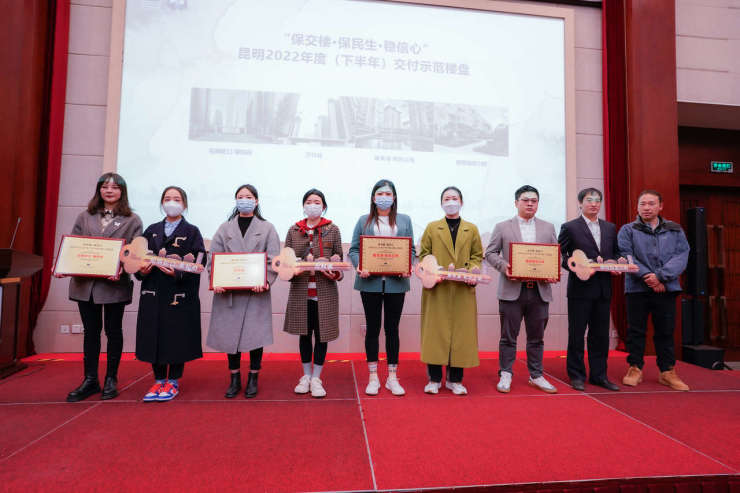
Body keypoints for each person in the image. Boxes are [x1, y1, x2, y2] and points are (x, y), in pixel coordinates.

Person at [62, 172, 142, 402]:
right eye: (105, 186)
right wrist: (65, 264)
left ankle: (110, 379)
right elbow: (74, 246)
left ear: (122, 192)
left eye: (115, 187)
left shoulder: (132, 220)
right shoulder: (85, 216)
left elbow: (135, 254)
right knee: (91, 332)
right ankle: (90, 380)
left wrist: (121, 267)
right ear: (99, 190)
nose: (109, 190)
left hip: (114, 285)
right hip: (85, 285)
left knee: (113, 332)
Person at [206, 184, 280, 398]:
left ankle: (254, 377)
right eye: (240, 197)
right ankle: (234, 377)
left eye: (248, 197)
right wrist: (216, 280)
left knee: (256, 337)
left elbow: (273, 259)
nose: (244, 200)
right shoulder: (224, 228)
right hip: (229, 293)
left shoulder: (267, 228)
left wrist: (266, 281)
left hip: (256, 293)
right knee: (231, 337)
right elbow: (213, 259)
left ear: (256, 201)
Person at [485, 185, 559, 394]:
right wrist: (504, 266)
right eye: (525, 200)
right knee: (508, 336)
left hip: (539, 291)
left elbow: (555, 254)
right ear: (516, 202)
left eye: (534, 201)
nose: (530, 204)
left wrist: (553, 270)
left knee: (537, 337)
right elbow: (490, 253)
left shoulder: (548, 227)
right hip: (512, 290)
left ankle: (536, 375)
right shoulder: (502, 227)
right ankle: (506, 373)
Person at [135, 186, 206, 402]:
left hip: (178, 293)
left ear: (184, 204)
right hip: (153, 291)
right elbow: (138, 259)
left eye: (176, 199)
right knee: (153, 334)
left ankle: (173, 381)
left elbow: (200, 262)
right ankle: (158, 380)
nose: (171, 202)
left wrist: (178, 273)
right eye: (167, 198)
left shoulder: (192, 231)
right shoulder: (151, 230)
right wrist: (141, 270)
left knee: (177, 335)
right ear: (161, 203)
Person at [617, 189, 690, 391]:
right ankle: (635, 368)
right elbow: (626, 255)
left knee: (665, 331)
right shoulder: (628, 230)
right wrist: (648, 276)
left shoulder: (675, 230)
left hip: (666, 287)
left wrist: (661, 276)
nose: (646, 208)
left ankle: (667, 371)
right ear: (637, 207)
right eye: (642, 204)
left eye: (651, 204)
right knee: (636, 330)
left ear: (660, 206)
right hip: (637, 288)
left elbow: (681, 256)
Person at [348, 180, 415, 396]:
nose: (384, 197)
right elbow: (354, 249)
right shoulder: (363, 220)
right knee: (373, 328)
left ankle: (392, 377)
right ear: (373, 197)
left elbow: (411, 249)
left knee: (392, 329)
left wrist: (407, 266)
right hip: (370, 284)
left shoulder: (405, 220)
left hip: (396, 284)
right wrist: (360, 266)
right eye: (380, 193)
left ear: (394, 198)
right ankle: (373, 377)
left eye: (388, 194)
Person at [418, 186, 482, 395]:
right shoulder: (432, 227)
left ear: (461, 202)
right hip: (437, 288)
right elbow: (423, 254)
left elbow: (477, 256)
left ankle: (456, 380)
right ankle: (434, 379)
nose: (451, 202)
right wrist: (433, 270)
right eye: (447, 198)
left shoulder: (471, 229)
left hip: (462, 289)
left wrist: (472, 270)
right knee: (435, 333)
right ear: (441, 203)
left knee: (461, 334)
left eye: (454, 198)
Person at [558, 188, 621, 391]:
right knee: (577, 334)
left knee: (600, 335)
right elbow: (561, 255)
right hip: (580, 289)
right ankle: (576, 375)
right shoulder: (570, 227)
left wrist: (614, 262)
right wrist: (577, 267)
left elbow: (616, 253)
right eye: (589, 200)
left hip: (603, 288)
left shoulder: (610, 227)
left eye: (597, 200)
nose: (593, 204)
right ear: (580, 203)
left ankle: (599, 375)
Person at [283, 189, 344, 398]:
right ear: (303, 206)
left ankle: (317, 378)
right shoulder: (293, 230)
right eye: (309, 201)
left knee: (322, 335)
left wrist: (333, 265)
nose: (313, 205)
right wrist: (297, 266)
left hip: (324, 292)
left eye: (317, 202)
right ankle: (306, 376)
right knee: (304, 334)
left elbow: (339, 262)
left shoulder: (332, 229)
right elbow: (286, 263)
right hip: (301, 292)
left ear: (323, 206)